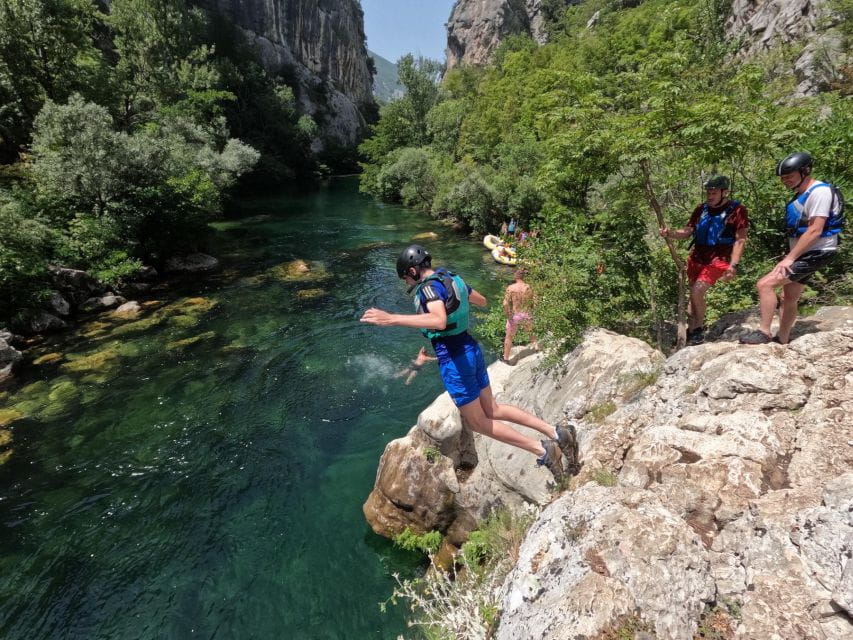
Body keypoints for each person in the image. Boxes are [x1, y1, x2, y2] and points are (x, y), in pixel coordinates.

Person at [360, 244, 579, 481]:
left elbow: (439, 319)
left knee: (478, 422)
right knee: (493, 409)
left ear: (413, 271)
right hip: (470, 349)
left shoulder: (428, 290)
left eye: (405, 278)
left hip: (455, 358)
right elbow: (482, 301)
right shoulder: (452, 278)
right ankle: (556, 433)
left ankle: (542, 449)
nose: (406, 284)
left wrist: (392, 318)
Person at [740, 152, 843, 345]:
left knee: (765, 284)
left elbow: (815, 230)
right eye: (783, 178)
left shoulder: (819, 192)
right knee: (789, 296)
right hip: (807, 253)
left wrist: (789, 258)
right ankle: (783, 339)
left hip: (817, 252)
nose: (785, 181)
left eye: (789, 176)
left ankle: (764, 332)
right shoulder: (803, 194)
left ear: (805, 171)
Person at [659, 175, 749, 345]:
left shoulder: (737, 210)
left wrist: (733, 265)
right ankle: (691, 331)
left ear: (724, 192)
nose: (710, 196)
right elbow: (687, 232)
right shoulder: (701, 209)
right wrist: (669, 232)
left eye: (714, 192)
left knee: (697, 291)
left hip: (719, 258)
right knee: (693, 297)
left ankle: (698, 329)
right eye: (708, 192)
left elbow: (740, 240)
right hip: (697, 258)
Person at [501, 268, 538, 364]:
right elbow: (535, 302)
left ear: (515, 276)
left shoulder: (511, 288)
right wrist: (532, 311)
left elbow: (505, 304)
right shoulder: (529, 287)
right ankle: (536, 348)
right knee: (530, 332)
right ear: (523, 277)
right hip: (527, 314)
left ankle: (506, 358)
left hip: (515, 315)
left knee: (509, 337)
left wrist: (509, 315)